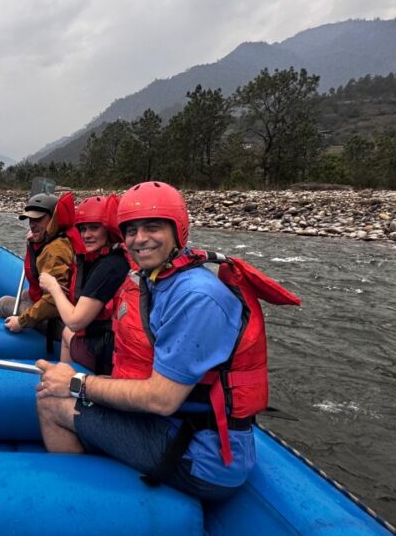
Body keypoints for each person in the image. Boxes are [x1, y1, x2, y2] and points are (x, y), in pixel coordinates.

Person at [35, 181, 300, 500]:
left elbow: (162, 399)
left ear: (179, 230)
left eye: (153, 226)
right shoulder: (159, 279)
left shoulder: (196, 296)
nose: (139, 239)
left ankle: (78, 507)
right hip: (178, 424)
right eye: (131, 230)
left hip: (197, 454)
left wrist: (77, 383)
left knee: (50, 402)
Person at [38, 195, 130, 374]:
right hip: (111, 340)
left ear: (108, 230)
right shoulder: (113, 259)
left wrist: (53, 287)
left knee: (67, 333)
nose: (87, 235)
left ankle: (65, 381)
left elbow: (75, 322)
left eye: (94, 228)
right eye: (83, 229)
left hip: (107, 350)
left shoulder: (110, 266)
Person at [0, 192, 83, 335]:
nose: (32, 225)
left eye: (39, 220)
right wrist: (34, 242)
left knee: (2, 304)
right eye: (30, 220)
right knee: (25, 295)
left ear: (54, 219)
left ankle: (3, 341)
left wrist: (21, 321)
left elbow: (52, 302)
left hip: (59, 320)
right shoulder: (57, 238)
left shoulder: (56, 250)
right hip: (59, 308)